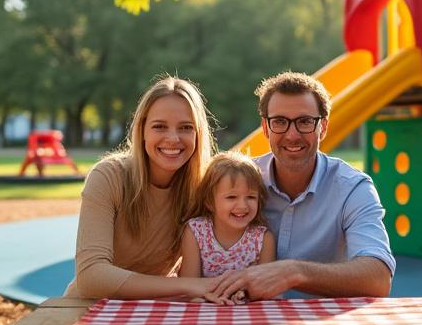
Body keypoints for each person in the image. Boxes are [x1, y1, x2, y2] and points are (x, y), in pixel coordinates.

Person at [210, 72, 396, 301]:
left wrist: (294, 273)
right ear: (266, 128)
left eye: (305, 122)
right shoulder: (235, 183)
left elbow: (379, 277)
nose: (292, 134)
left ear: (323, 127)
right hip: (241, 316)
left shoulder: (352, 188)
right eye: (279, 122)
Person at [65, 76, 229, 302]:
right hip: (88, 309)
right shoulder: (108, 176)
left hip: (156, 310)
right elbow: (91, 276)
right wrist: (188, 286)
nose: (173, 138)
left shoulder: (203, 189)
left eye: (186, 127)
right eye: (159, 126)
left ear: (198, 133)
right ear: (142, 130)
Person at [179, 151, 277, 279]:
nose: (243, 205)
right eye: (231, 197)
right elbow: (189, 284)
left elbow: (266, 288)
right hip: (203, 298)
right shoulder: (196, 232)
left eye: (251, 197)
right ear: (209, 202)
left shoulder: (263, 239)